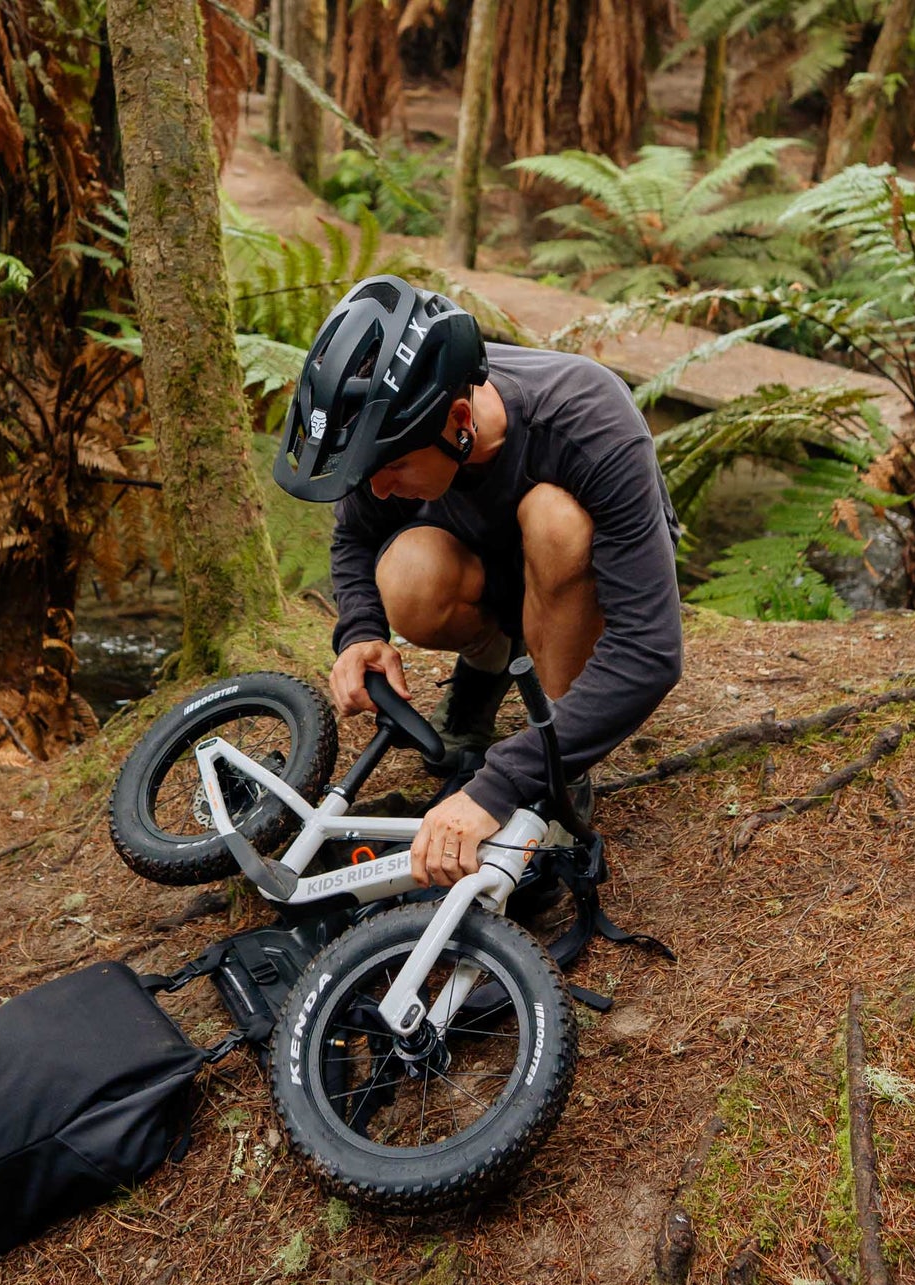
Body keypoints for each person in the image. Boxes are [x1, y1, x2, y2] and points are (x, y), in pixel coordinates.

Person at [272, 274, 683, 890]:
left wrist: (502, 784)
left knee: (554, 520)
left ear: (460, 419)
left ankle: (558, 763)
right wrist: (360, 632)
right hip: (498, 581)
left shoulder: (588, 420)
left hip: (581, 588)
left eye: (390, 470)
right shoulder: (401, 429)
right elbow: (356, 536)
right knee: (409, 570)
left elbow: (649, 651)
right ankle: (486, 675)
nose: (376, 490)